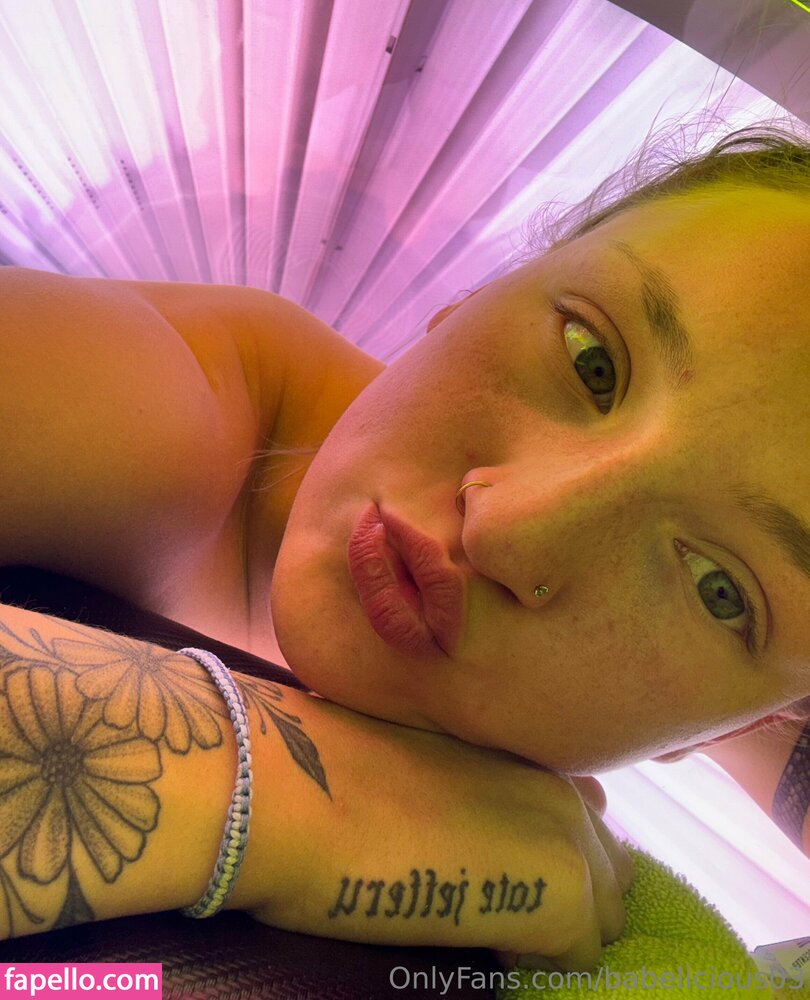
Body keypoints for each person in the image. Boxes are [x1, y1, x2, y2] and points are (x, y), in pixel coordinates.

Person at [0, 116, 807, 970]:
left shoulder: (710, 684)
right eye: (590, 361)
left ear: (748, 722)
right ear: (479, 291)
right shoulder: (157, 411)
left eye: (717, 587)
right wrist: (310, 798)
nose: (508, 530)